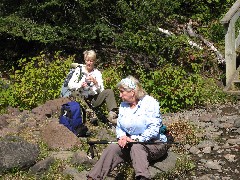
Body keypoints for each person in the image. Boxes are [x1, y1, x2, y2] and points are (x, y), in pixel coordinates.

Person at [87, 75, 169, 180]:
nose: (120, 95)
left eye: (122, 92)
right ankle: (93, 177)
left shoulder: (150, 103)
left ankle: (143, 177)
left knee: (136, 146)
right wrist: (122, 137)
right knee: (113, 148)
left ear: (132, 92)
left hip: (154, 143)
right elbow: (120, 127)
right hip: (130, 143)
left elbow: (153, 129)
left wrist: (135, 139)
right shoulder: (123, 106)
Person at [60, 50, 118, 124]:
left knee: (109, 92)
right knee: (76, 94)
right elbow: (70, 85)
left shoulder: (97, 73)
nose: (89, 63)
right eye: (87, 60)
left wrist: (96, 83)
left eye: (91, 61)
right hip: (80, 97)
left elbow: (102, 90)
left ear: (94, 61)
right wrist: (80, 85)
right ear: (85, 60)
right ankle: (90, 113)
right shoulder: (79, 71)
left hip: (93, 98)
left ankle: (113, 116)